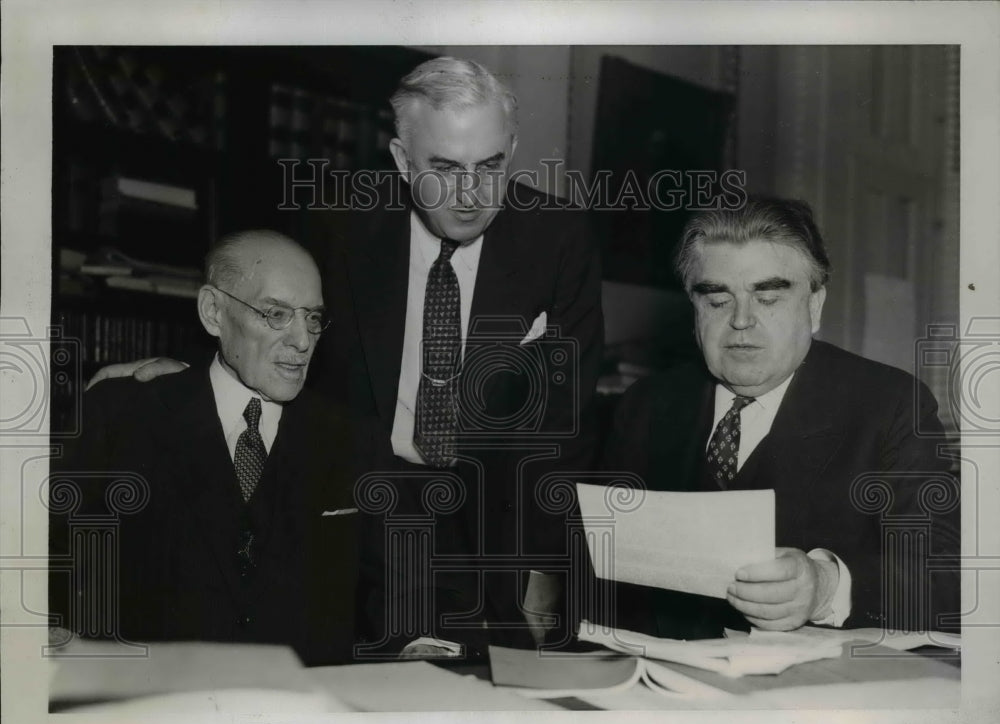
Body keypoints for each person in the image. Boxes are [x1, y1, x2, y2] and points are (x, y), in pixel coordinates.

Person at [85, 57, 604, 657]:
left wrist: (542, 569)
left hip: (488, 514)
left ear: (511, 149)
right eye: (444, 168)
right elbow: (267, 302)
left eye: (490, 166)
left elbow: (568, 425)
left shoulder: (558, 237)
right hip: (355, 493)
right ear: (402, 160)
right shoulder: (341, 220)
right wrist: (186, 362)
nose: (470, 194)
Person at [599, 197, 959, 639]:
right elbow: (602, 580)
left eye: (767, 297)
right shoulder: (645, 405)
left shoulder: (891, 406)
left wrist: (826, 586)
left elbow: (946, 577)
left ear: (814, 307)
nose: (741, 321)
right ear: (693, 311)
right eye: (717, 300)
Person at [49, 230, 383, 665]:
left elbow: (400, 590)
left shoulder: (355, 438)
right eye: (276, 314)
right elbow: (48, 566)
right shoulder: (121, 414)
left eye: (313, 318)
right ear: (213, 312)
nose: (303, 340)